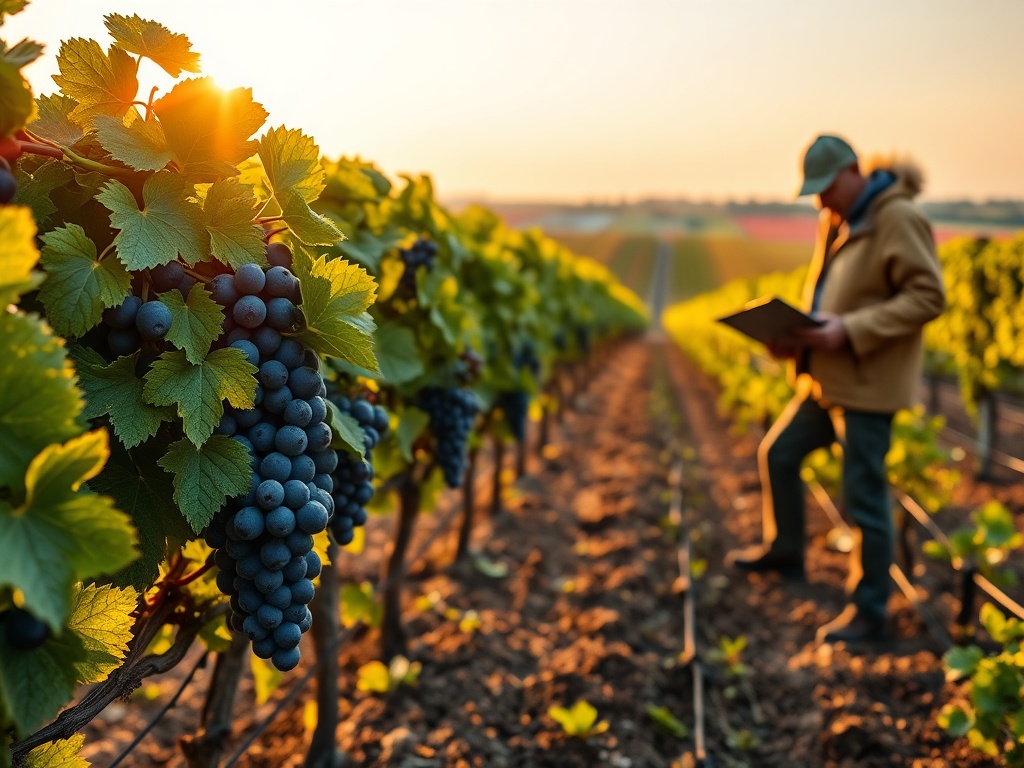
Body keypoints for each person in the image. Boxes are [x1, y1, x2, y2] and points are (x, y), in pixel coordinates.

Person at [724, 134, 946, 644]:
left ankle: (869, 613)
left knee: (863, 498)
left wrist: (849, 330)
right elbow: (827, 299)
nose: (821, 201)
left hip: (867, 385)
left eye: (826, 189)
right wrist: (795, 341)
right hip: (826, 378)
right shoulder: (839, 222)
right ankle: (785, 553)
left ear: (853, 172)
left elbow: (927, 297)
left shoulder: (897, 218)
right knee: (778, 454)